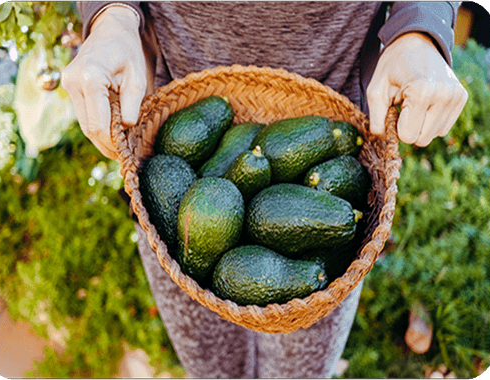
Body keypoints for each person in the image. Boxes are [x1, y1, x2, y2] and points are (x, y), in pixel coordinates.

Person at [62, 2, 468, 378]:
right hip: (176, 123)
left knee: (300, 371)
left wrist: (421, 25)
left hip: (334, 107)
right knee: (211, 368)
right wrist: (111, 17)